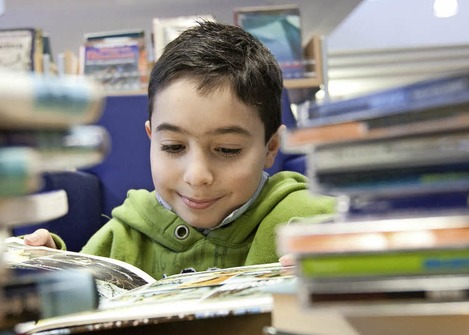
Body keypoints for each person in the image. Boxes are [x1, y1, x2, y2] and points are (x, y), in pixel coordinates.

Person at [24, 20, 334, 279]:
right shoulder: (125, 234)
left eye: (227, 149)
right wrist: (51, 262)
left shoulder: (307, 217)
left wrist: (346, 268)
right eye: (173, 147)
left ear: (271, 147)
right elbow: (83, 290)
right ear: (151, 139)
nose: (197, 176)